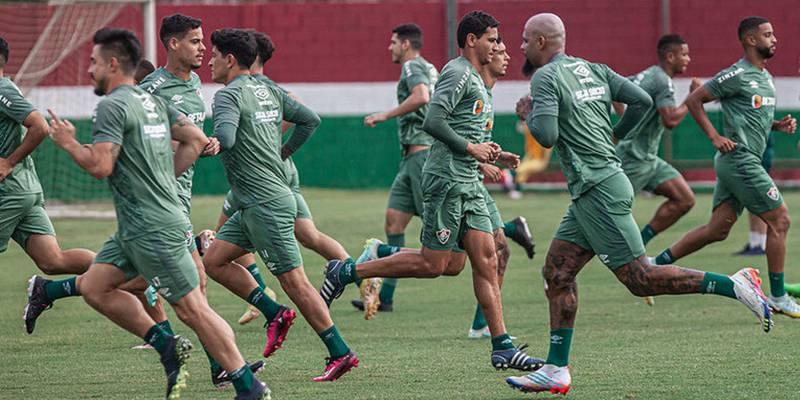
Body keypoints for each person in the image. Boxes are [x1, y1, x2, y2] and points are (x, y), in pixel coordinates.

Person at [506, 13, 773, 394]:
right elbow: (641, 100)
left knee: (641, 279)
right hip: (595, 188)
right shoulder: (592, 68)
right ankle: (556, 369)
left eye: (525, 39)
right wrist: (614, 136)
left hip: (598, 190)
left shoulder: (545, 77)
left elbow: (546, 136)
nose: (521, 45)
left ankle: (735, 284)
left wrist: (529, 113)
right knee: (557, 273)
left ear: (543, 43)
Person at [41, 27, 268, 399]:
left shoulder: (112, 106)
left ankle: (247, 385)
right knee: (96, 286)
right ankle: (165, 344)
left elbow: (100, 166)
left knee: (193, 308)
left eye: (94, 63)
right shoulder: (155, 103)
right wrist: (163, 178)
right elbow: (196, 139)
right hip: (139, 225)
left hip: (151, 226)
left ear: (113, 64)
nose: (89, 70)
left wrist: (67, 143)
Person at [320, 11, 543, 372]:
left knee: (479, 260)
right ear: (472, 40)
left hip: (468, 183)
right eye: (491, 39)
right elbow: (433, 121)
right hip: (445, 182)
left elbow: (462, 128)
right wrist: (471, 149)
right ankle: (346, 272)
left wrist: (493, 153)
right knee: (433, 263)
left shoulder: (477, 80)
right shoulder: (456, 72)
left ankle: (502, 346)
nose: (497, 46)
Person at [201, 28, 358, 382]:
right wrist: (283, 151)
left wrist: (198, 143)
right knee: (213, 259)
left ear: (230, 59)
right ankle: (274, 313)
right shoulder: (268, 88)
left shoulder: (227, 96)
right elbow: (310, 119)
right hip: (264, 200)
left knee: (297, 284)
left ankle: (340, 352)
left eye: (213, 55)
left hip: (264, 204)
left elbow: (225, 138)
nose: (209, 61)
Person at [650, 16, 800, 318]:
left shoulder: (764, 76)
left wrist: (776, 126)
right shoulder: (737, 74)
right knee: (780, 220)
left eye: (773, 34)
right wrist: (714, 136)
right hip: (740, 160)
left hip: (741, 161)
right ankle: (778, 296)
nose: (774, 39)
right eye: (767, 35)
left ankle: (655, 265)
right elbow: (695, 100)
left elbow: (750, 117)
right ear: (750, 40)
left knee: (718, 229)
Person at [615, 34, 697, 247]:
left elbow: (615, 92)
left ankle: (640, 245)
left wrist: (625, 124)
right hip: (633, 158)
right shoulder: (663, 81)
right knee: (607, 216)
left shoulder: (648, 75)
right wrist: (692, 98)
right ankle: (562, 266)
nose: (688, 59)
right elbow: (670, 120)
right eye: (685, 55)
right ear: (670, 57)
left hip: (648, 158)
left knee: (684, 199)